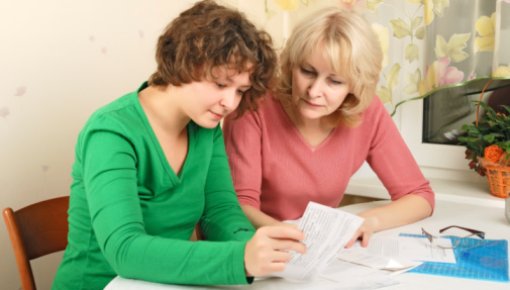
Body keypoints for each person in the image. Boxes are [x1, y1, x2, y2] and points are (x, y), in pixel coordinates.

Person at [52, 1, 305, 289]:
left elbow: (219, 212)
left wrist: (262, 249)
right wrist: (240, 258)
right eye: (221, 85)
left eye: (241, 90)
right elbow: (125, 250)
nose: (230, 103)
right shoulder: (111, 132)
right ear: (184, 64)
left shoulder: (205, 127)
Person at [223, 7, 435, 248]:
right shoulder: (254, 104)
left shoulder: (368, 111)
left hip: (316, 252)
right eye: (307, 71)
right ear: (291, 64)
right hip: (252, 247)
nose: (313, 91)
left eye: (334, 81)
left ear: (355, 85)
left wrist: (365, 222)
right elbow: (238, 205)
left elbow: (419, 197)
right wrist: (291, 237)